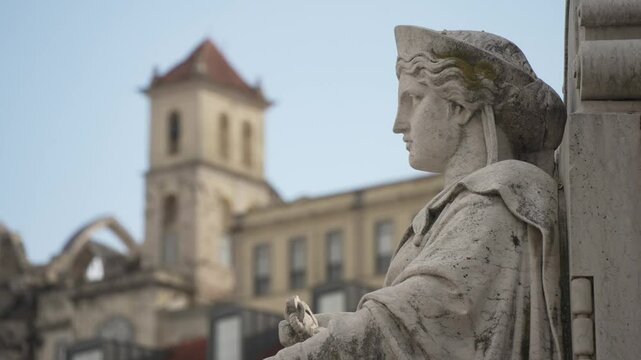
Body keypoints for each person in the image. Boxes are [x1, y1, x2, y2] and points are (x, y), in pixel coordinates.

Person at [267, 25, 566, 360]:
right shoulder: (458, 206)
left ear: (460, 106)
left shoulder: (502, 194)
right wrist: (325, 328)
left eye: (413, 99)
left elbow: (425, 321)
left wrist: (324, 345)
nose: (399, 122)